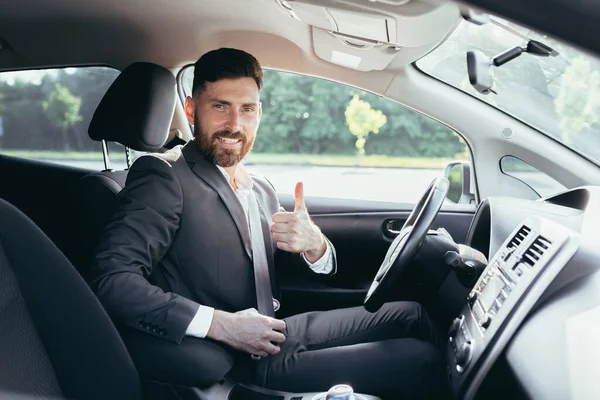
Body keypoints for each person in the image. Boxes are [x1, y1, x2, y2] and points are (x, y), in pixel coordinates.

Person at [89, 48, 447, 399]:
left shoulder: (259, 186)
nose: (234, 124)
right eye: (219, 107)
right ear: (191, 109)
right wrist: (222, 325)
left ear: (258, 114)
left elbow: (272, 264)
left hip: (278, 330)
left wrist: (314, 247)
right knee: (423, 360)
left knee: (412, 314)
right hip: (235, 356)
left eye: (246, 109)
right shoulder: (164, 177)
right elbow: (113, 280)